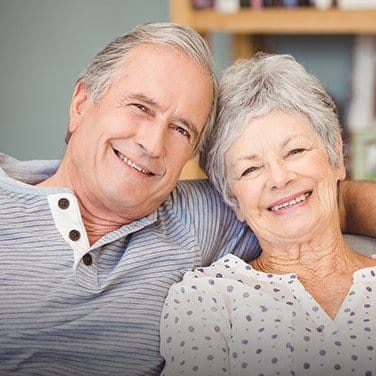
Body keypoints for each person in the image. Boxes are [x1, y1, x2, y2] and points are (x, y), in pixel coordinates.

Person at [0, 25, 374, 376]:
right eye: (140, 107)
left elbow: (319, 201)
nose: (151, 143)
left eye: (181, 129)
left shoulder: (193, 218)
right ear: (81, 103)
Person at [160, 53, 376, 376]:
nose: (279, 178)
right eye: (250, 169)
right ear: (233, 200)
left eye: (295, 151)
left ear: (336, 158)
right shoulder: (207, 299)